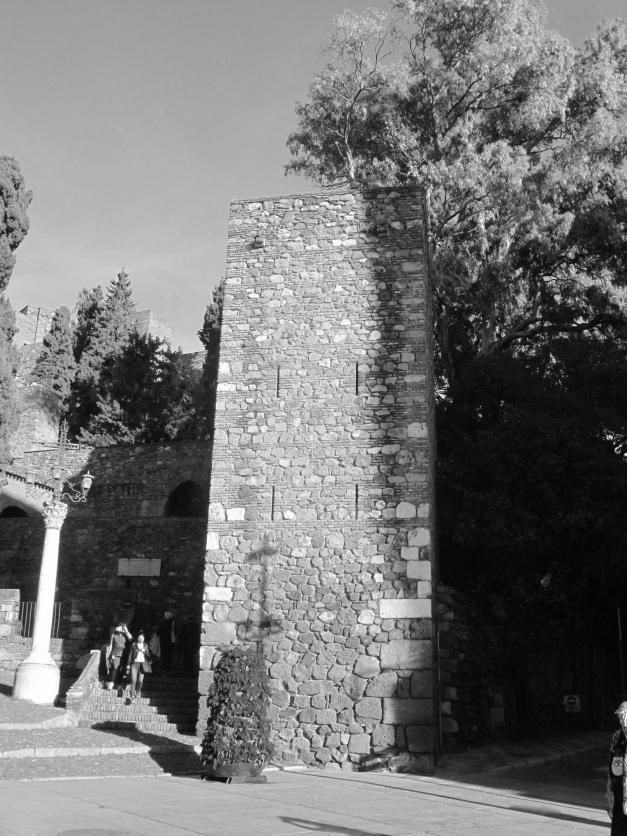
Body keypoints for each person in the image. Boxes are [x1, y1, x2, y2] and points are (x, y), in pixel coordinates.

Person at [607, 701, 627, 834]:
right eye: (619, 716)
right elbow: (611, 761)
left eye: (623, 716)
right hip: (618, 790)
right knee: (618, 829)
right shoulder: (617, 735)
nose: (621, 720)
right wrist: (609, 792)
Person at [127, 629, 152, 702]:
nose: (141, 638)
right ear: (137, 638)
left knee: (140, 681)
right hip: (134, 664)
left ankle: (137, 692)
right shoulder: (134, 644)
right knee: (133, 680)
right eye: (139, 637)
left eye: (142, 637)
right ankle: (132, 696)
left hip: (143, 664)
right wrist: (128, 664)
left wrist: (146, 654)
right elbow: (130, 655)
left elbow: (148, 655)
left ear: (144, 638)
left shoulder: (145, 645)